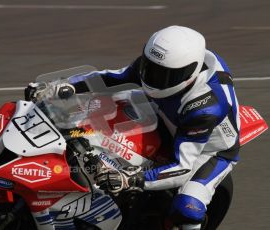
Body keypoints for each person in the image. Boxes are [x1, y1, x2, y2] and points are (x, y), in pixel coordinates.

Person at [25, 25, 240, 230]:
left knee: (188, 207)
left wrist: (132, 178)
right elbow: (114, 76)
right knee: (91, 125)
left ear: (189, 74)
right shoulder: (164, 63)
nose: (153, 78)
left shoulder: (204, 108)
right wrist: (64, 86)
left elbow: (182, 167)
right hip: (163, 112)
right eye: (150, 69)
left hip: (208, 149)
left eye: (165, 76)